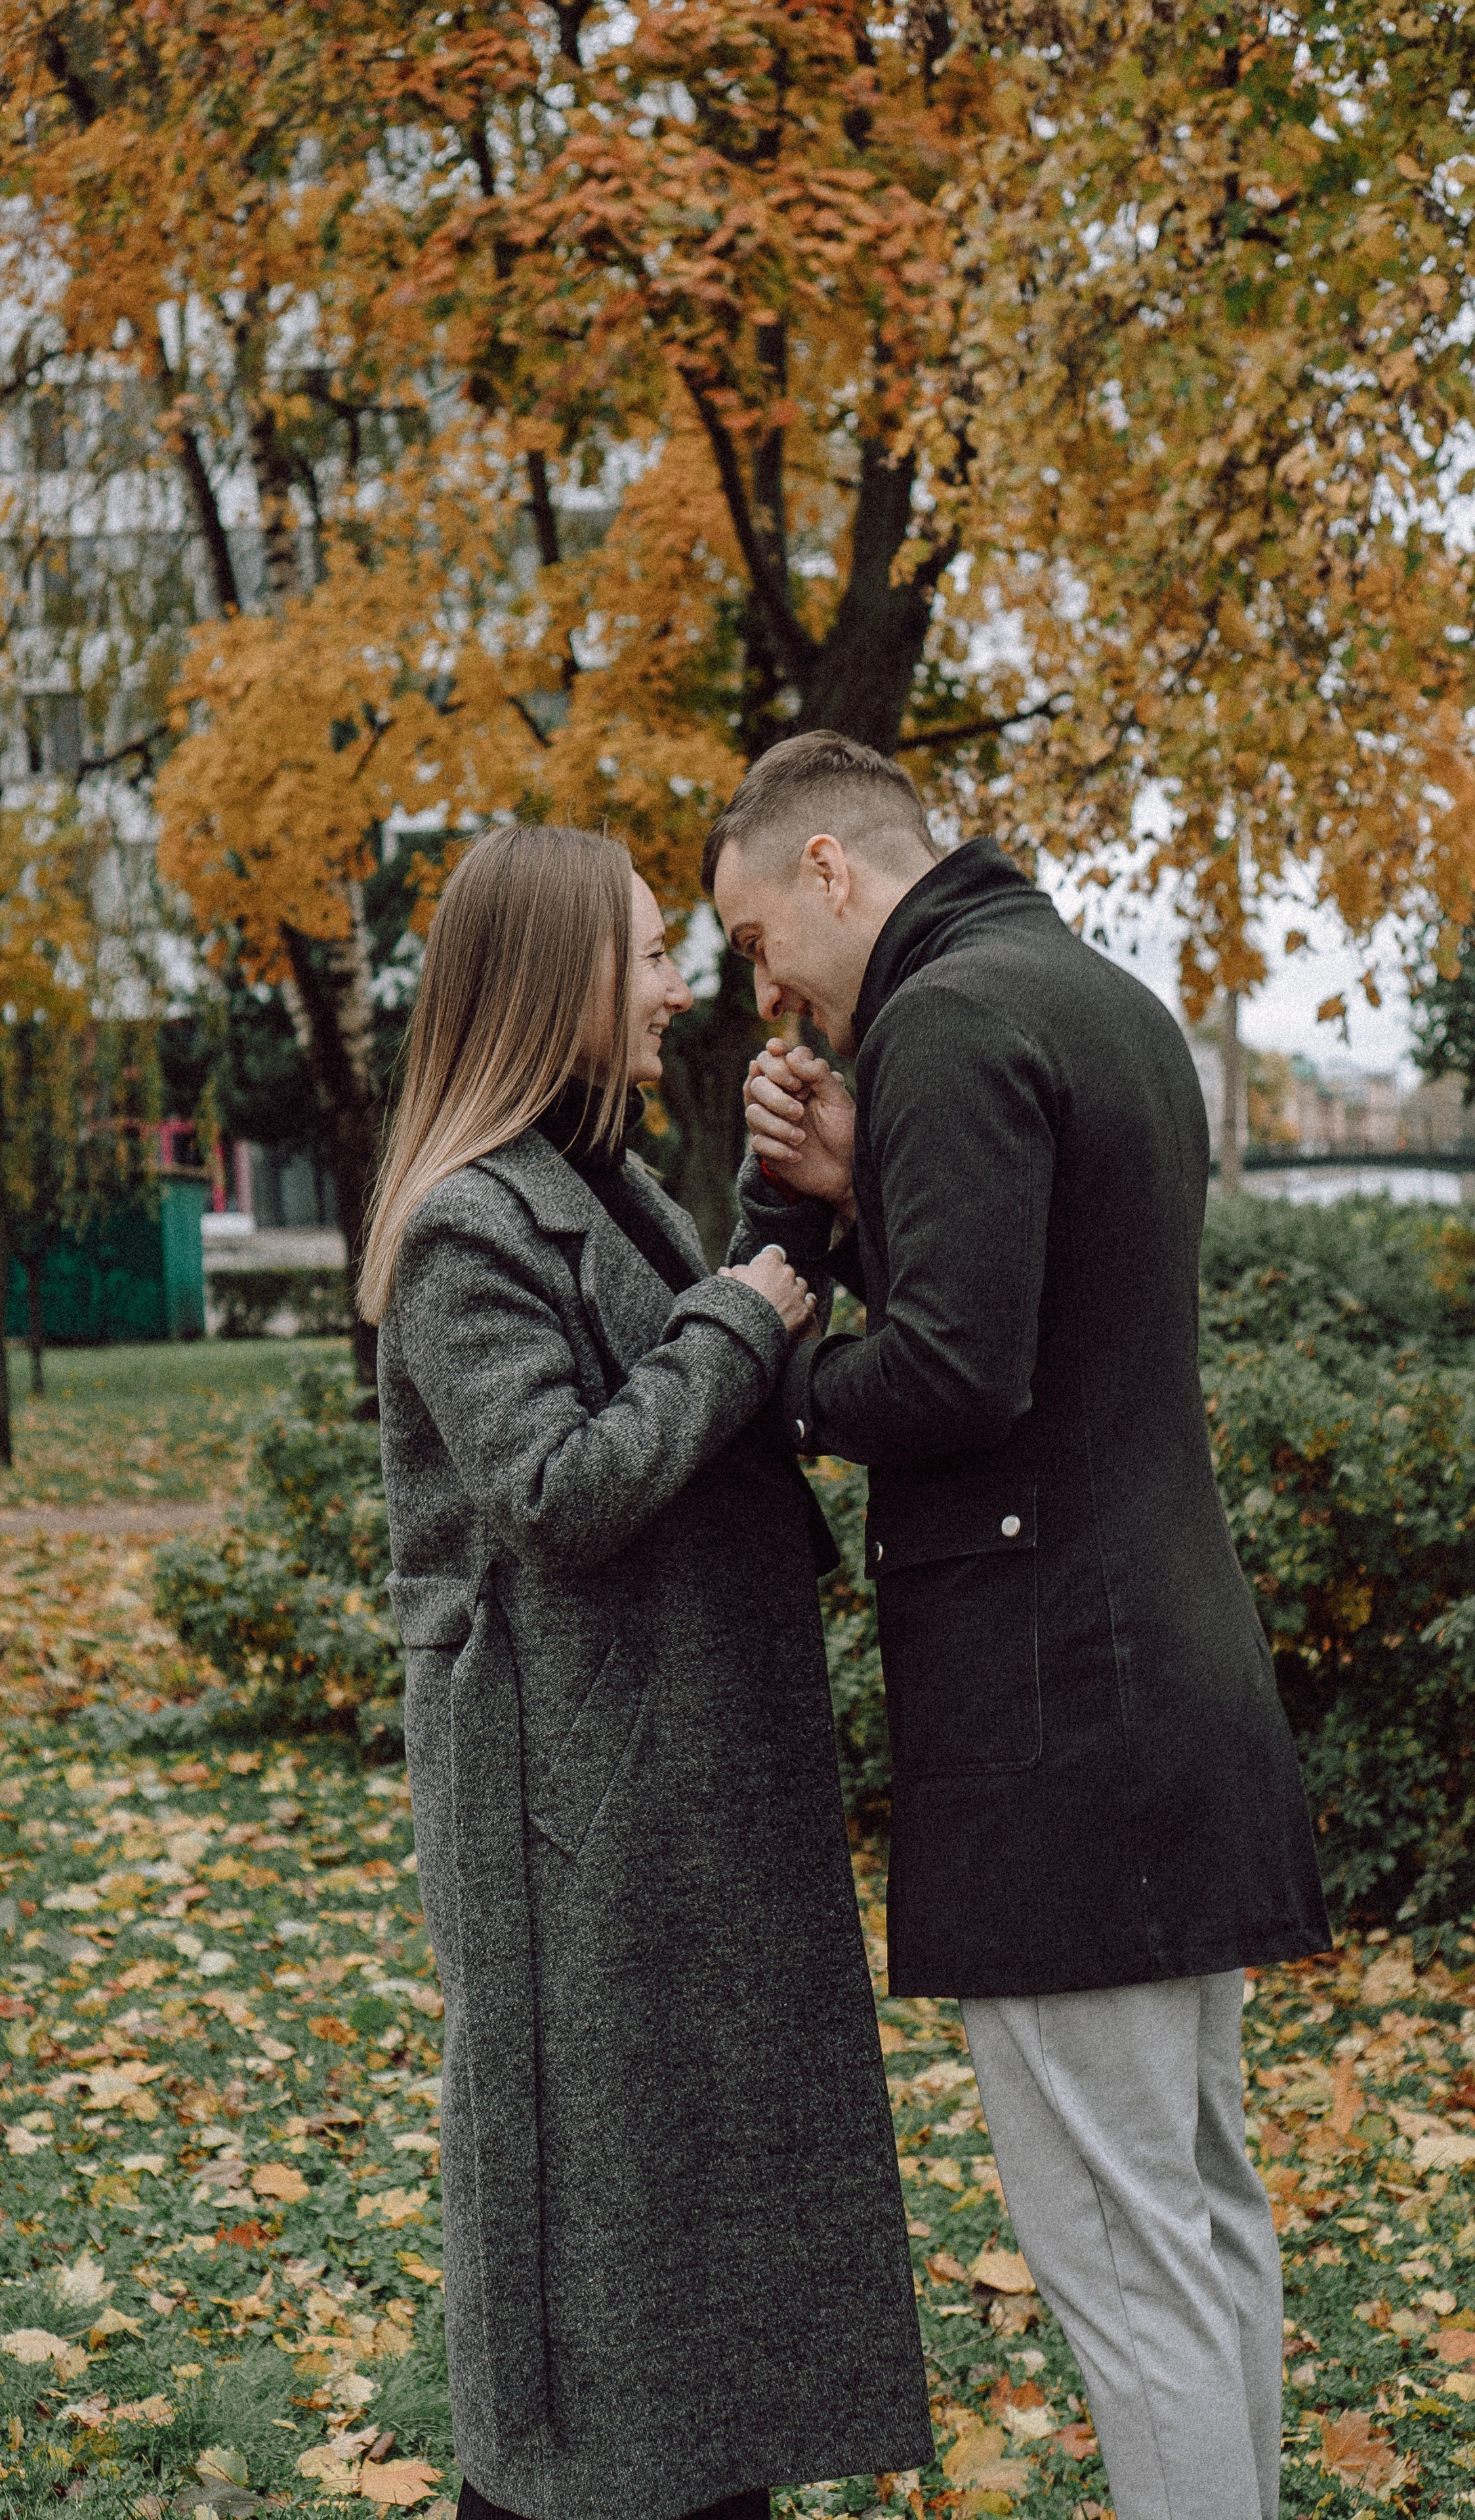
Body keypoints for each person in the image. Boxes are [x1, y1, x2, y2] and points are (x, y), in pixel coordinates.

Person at [707, 733, 1333, 2520]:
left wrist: (767, 1375)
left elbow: (963, 1373)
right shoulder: (1091, 995)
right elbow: (1045, 1319)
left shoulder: (949, 1022)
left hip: (1065, 1725)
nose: (768, 990)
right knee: (1199, 2223)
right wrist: (856, 1194)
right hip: (1164, 1681)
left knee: (1131, 2273)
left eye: (760, 940)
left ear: (831, 867)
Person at [359, 822, 932, 2520]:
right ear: (557, 981)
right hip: (569, 1807)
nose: (685, 987)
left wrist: (799, 1227)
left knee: (698, 2229)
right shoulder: (468, 1226)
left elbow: (696, 1379)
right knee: (597, 2248)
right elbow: (560, 1488)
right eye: (651, 953)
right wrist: (741, 1320)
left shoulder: (604, 1185)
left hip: (669, 1777)